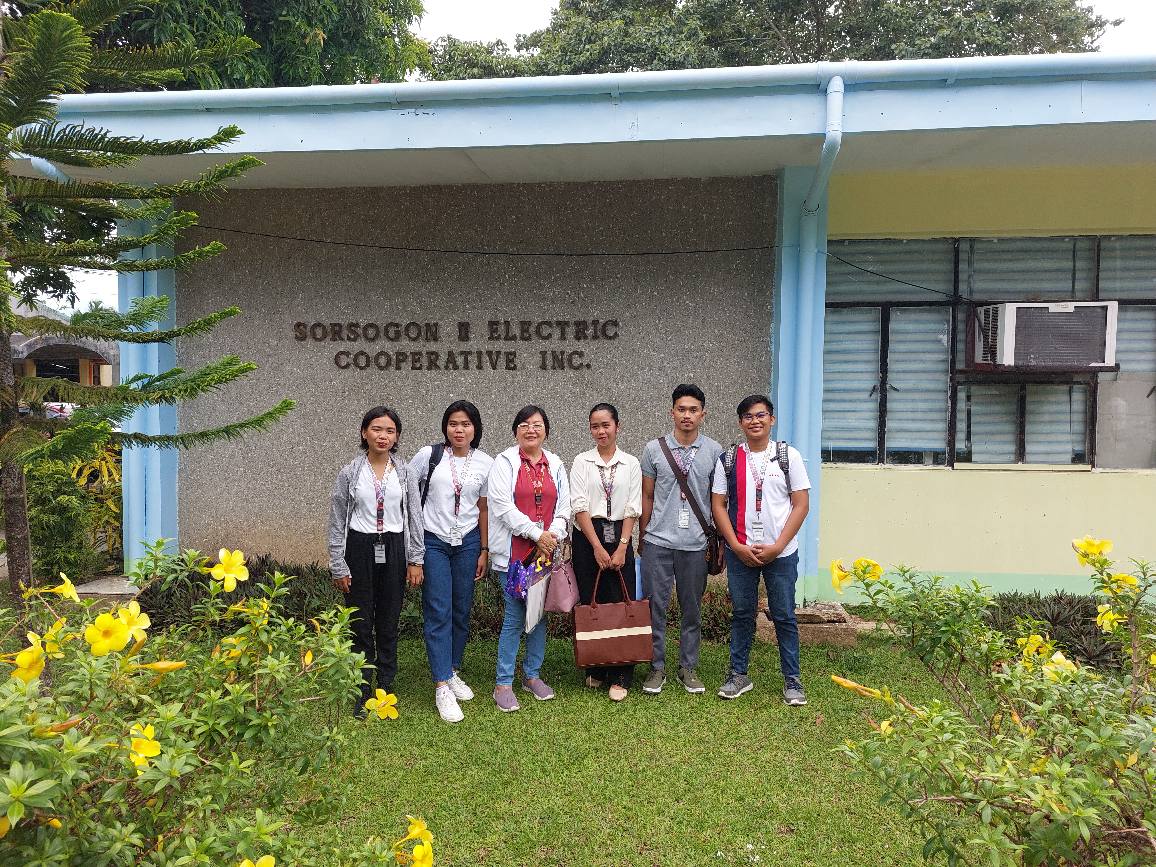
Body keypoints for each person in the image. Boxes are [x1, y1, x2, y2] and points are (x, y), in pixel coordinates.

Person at [710, 395, 811, 706]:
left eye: (761, 415)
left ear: (772, 419)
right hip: (741, 551)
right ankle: (738, 674)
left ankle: (792, 679)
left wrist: (778, 546)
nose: (755, 421)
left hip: (781, 553)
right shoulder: (728, 460)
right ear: (741, 423)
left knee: (784, 615)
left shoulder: (788, 456)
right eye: (748, 417)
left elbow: (801, 504)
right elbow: (718, 505)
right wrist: (735, 546)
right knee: (742, 613)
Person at [327, 406, 420, 717]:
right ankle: (361, 687)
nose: (383, 436)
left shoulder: (405, 472)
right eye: (377, 429)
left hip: (394, 547)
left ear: (397, 437)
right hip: (359, 547)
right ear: (364, 432)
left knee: (389, 620)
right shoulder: (349, 473)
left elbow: (415, 517)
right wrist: (338, 564)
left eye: (390, 431)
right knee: (360, 622)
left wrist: (415, 559)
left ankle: (386, 684)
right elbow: (337, 521)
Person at [406, 400, 494, 724]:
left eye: (466, 424)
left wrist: (484, 549)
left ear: (475, 428)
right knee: (438, 609)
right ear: (445, 427)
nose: (459, 429)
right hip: (434, 541)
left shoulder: (485, 462)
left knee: (461, 609)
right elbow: (408, 496)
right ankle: (441, 684)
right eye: (454, 423)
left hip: (468, 542)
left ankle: (452, 669)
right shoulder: (428, 456)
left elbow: (483, 508)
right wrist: (414, 552)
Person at [638, 384, 724, 695]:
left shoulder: (714, 451)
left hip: (696, 544)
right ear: (672, 412)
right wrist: (642, 537)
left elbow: (717, 500)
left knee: (692, 609)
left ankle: (688, 667)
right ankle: (657, 667)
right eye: (681, 409)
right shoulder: (653, 449)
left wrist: (718, 540)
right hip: (658, 542)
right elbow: (647, 496)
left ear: (703, 414)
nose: (687, 415)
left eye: (693, 410)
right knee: (654, 608)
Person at [487, 405, 571, 712]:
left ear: (546, 430)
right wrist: (536, 534)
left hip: (545, 554)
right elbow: (501, 505)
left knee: (538, 615)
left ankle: (532, 675)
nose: (530, 429)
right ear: (515, 431)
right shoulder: (505, 462)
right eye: (524, 425)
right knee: (515, 617)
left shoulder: (555, 464)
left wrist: (552, 534)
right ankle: (503, 683)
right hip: (514, 554)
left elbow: (565, 506)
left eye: (536, 424)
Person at [569, 403, 643, 702]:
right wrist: (597, 547)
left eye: (606, 425)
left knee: (621, 600)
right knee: (593, 600)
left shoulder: (631, 463)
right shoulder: (581, 461)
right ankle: (597, 665)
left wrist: (623, 545)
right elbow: (579, 505)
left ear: (617, 427)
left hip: (620, 535)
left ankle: (622, 672)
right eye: (595, 426)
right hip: (588, 537)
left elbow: (633, 506)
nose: (601, 431)